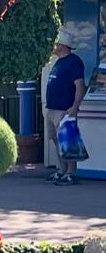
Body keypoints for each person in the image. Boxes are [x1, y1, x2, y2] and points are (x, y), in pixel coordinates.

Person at [44, 40, 88, 185]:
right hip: (52, 109)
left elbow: (80, 87)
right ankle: (62, 170)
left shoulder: (73, 62)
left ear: (63, 46)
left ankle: (71, 172)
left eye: (56, 44)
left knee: (68, 141)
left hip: (64, 109)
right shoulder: (58, 62)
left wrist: (75, 107)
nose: (53, 47)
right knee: (57, 141)